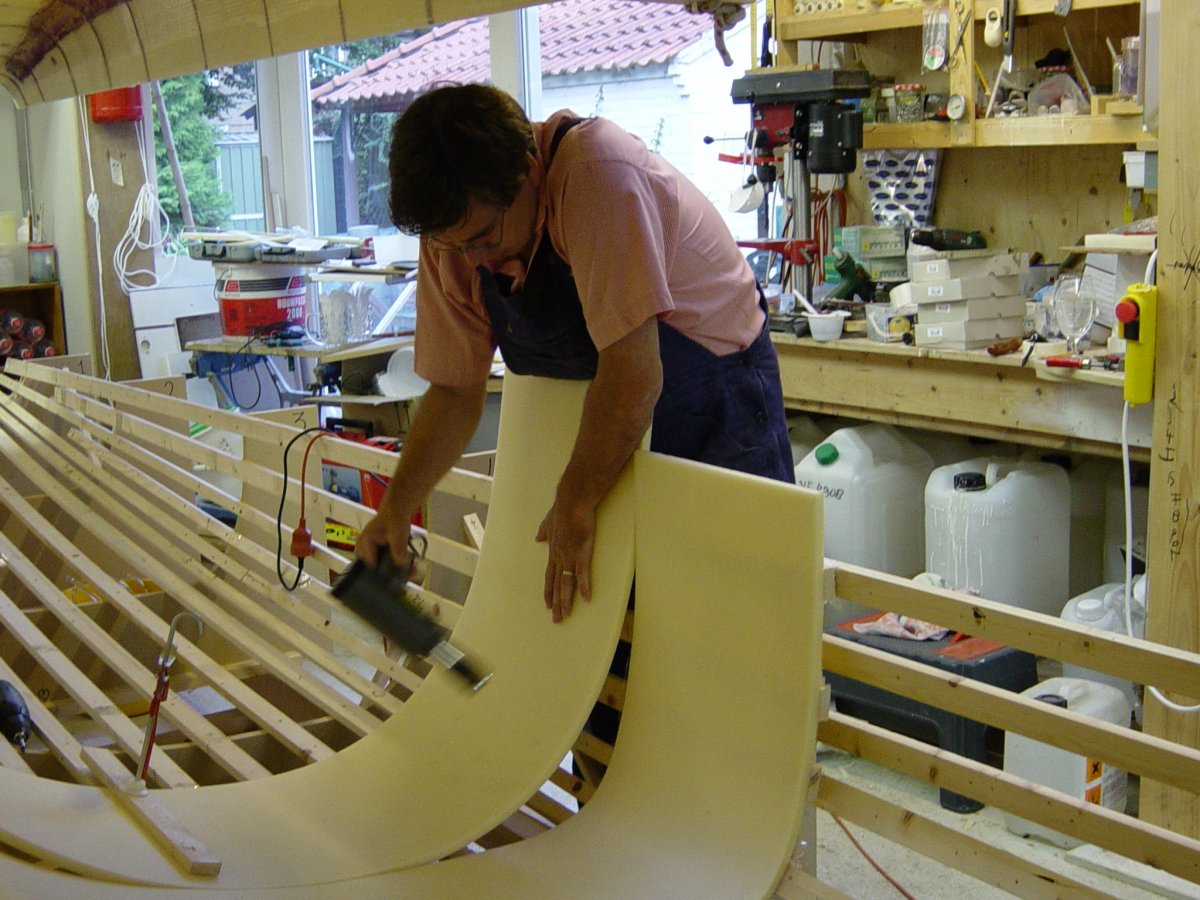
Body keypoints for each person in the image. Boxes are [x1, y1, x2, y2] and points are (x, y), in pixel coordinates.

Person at [355, 83, 793, 624]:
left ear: (529, 170)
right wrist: (397, 508)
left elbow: (633, 377)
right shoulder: (454, 226)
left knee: (734, 618)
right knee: (612, 624)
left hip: (714, 387)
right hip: (619, 403)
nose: (472, 260)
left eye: (484, 239)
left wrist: (576, 500)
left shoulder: (595, 175)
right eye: (454, 246)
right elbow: (453, 388)